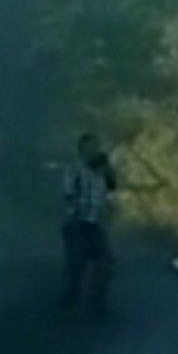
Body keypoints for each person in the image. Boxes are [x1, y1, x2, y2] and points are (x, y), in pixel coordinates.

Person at [59, 133, 117, 318]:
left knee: (105, 262)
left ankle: (96, 303)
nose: (94, 150)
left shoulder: (103, 170)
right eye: (90, 146)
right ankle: (70, 298)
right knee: (77, 266)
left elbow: (111, 189)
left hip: (95, 224)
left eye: (96, 146)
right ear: (82, 149)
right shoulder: (74, 169)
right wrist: (75, 211)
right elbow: (68, 193)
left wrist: (108, 173)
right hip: (76, 223)